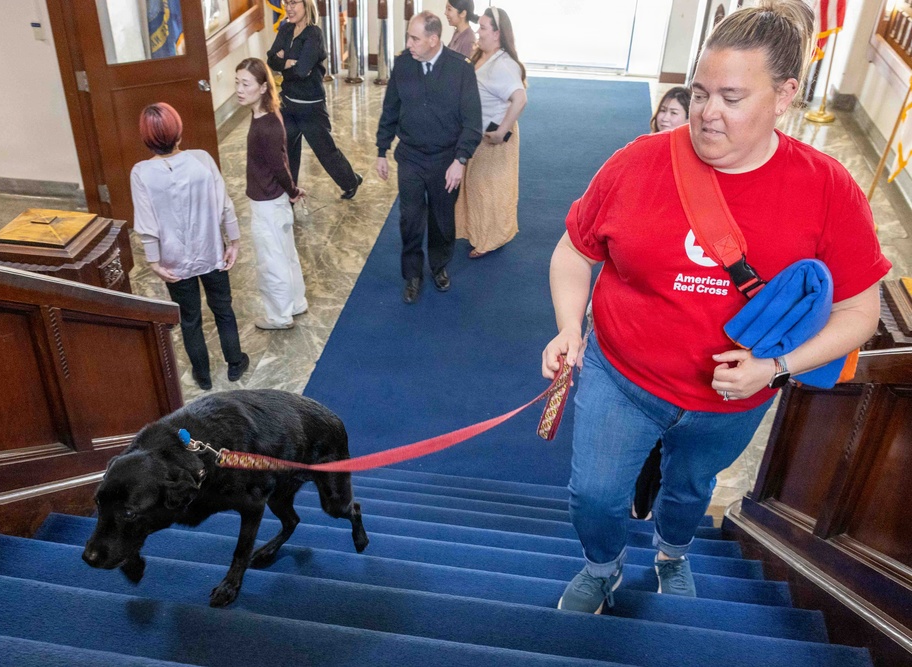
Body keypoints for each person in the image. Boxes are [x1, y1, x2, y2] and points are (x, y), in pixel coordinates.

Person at [542, 0, 891, 614]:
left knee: (687, 492)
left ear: (784, 95)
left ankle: (672, 555)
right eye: (700, 93)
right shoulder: (636, 162)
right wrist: (570, 327)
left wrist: (776, 368)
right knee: (594, 497)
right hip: (621, 377)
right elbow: (574, 252)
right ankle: (602, 567)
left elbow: (860, 313)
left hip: (731, 401)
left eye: (731, 98)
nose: (707, 114)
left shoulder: (828, 189)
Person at [131, 103, 249, 391]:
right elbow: (225, 206)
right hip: (213, 252)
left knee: (190, 319)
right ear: (178, 132)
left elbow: (147, 225)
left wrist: (154, 262)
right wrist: (233, 241)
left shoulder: (141, 173)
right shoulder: (202, 160)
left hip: (174, 263)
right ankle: (235, 363)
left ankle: (203, 375)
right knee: (223, 309)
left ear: (146, 139)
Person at [376, 11, 482, 304]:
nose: (409, 43)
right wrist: (381, 150)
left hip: (445, 160)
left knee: (442, 219)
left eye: (414, 38)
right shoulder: (403, 64)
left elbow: (473, 120)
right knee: (409, 218)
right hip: (410, 157)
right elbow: (390, 109)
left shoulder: (461, 69)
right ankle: (412, 274)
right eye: (409, 37)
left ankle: (438, 266)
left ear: (433, 40)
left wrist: (460, 160)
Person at [236, 58, 309, 331]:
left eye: (246, 84)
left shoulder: (265, 126)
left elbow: (279, 165)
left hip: (267, 202)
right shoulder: (267, 115)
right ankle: (296, 302)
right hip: (274, 198)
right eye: (237, 82)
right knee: (286, 253)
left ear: (263, 87)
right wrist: (289, 190)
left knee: (271, 261)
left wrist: (292, 190)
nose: (239, 89)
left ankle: (279, 315)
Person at [267, 0, 363, 199]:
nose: (289, 8)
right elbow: (270, 59)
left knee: (325, 151)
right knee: (288, 152)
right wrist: (287, 63)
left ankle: (351, 181)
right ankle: (289, 195)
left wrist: (283, 65)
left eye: (294, 3)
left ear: (306, 4)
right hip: (287, 103)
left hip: (310, 106)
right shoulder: (285, 30)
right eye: (286, 3)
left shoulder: (313, 34)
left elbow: (302, 71)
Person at [454, 6, 527, 258]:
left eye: (483, 27)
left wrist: (501, 132)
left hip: (493, 139)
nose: (478, 31)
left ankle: (489, 239)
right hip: (477, 135)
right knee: (476, 186)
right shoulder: (482, 55)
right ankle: (477, 230)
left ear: (497, 33)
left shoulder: (503, 64)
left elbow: (520, 99)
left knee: (488, 190)